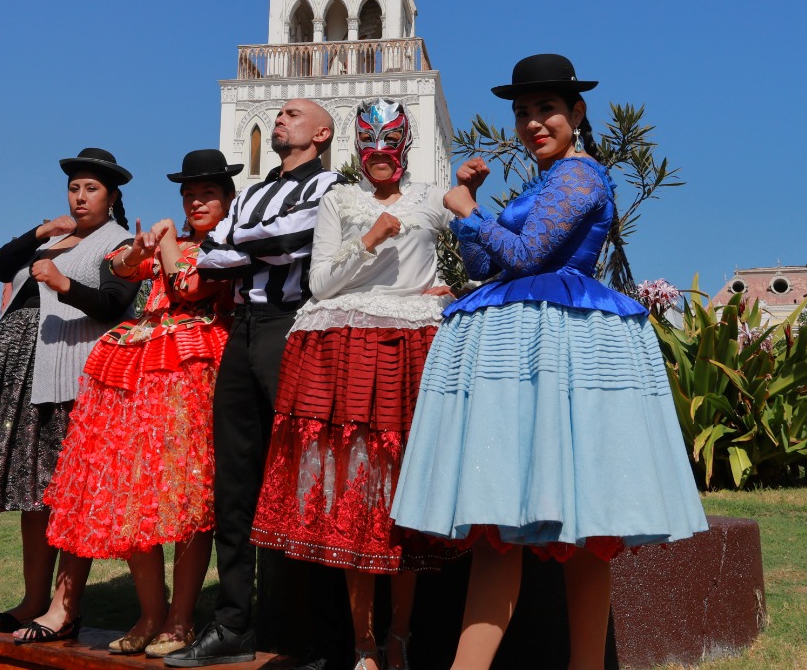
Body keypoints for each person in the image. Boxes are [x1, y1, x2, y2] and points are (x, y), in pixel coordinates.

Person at [391, 55, 709, 670]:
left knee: (584, 527)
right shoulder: (542, 182)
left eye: (547, 111)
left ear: (577, 113)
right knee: (500, 516)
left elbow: (532, 255)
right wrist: (474, 207)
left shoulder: (582, 177)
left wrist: (466, 211)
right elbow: (488, 266)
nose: (534, 123)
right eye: (523, 113)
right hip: (525, 341)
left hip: (563, 340)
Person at [252, 100, 453, 670]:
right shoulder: (341, 200)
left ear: (406, 144)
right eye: (371, 145)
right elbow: (319, 283)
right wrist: (368, 239)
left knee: (404, 496)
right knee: (355, 491)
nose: (380, 155)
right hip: (346, 351)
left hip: (411, 349)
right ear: (357, 149)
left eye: (390, 143)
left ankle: (401, 637)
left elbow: (475, 246)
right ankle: (364, 645)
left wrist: (451, 288)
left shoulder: (430, 197)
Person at [23, 150, 240, 656]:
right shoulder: (175, 241)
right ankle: (150, 611)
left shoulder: (230, 247)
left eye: (208, 193)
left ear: (228, 201)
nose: (196, 201)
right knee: (130, 490)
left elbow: (190, 287)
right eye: (190, 194)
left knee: (187, 497)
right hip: (137, 373)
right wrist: (139, 248)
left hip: (193, 372)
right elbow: (118, 268)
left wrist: (162, 246)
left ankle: (180, 618)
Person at [165, 98, 342, 668]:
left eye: (293, 114)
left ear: (322, 132)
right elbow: (211, 257)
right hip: (243, 334)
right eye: (279, 115)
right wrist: (247, 244)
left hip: (293, 328)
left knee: (296, 476)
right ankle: (234, 620)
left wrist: (242, 245)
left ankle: (307, 633)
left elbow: (294, 240)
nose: (280, 120)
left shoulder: (334, 187)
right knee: (234, 479)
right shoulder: (250, 196)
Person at [0, 148, 139, 638]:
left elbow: (116, 306)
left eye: (91, 188)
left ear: (112, 197)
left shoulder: (121, 243)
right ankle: (33, 600)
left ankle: (64, 608)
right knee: (36, 494)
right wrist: (40, 234)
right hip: (20, 374)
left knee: (68, 493)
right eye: (74, 188)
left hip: (70, 376)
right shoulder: (54, 240)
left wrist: (65, 282)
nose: (79, 197)